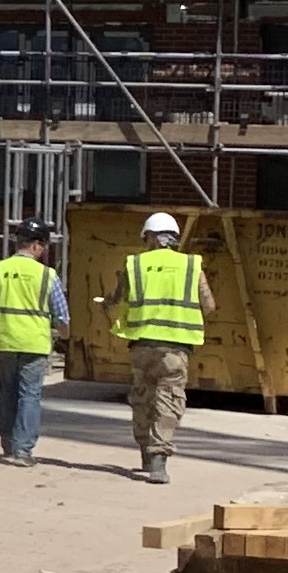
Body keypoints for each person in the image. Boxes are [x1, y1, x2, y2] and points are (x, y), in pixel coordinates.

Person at [110, 208, 210, 486]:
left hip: (142, 344)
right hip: (176, 349)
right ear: (174, 238)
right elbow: (209, 304)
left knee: (143, 397)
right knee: (168, 400)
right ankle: (158, 462)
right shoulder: (191, 266)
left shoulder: (135, 265)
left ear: (150, 238)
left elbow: (116, 297)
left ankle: (144, 450)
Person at [0, 224, 61, 467]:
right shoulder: (48, 275)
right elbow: (61, 314)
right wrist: (66, 334)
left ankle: (8, 444)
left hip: (5, 342)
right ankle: (22, 451)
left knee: (8, 394)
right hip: (34, 344)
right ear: (36, 245)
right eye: (43, 246)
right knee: (30, 395)